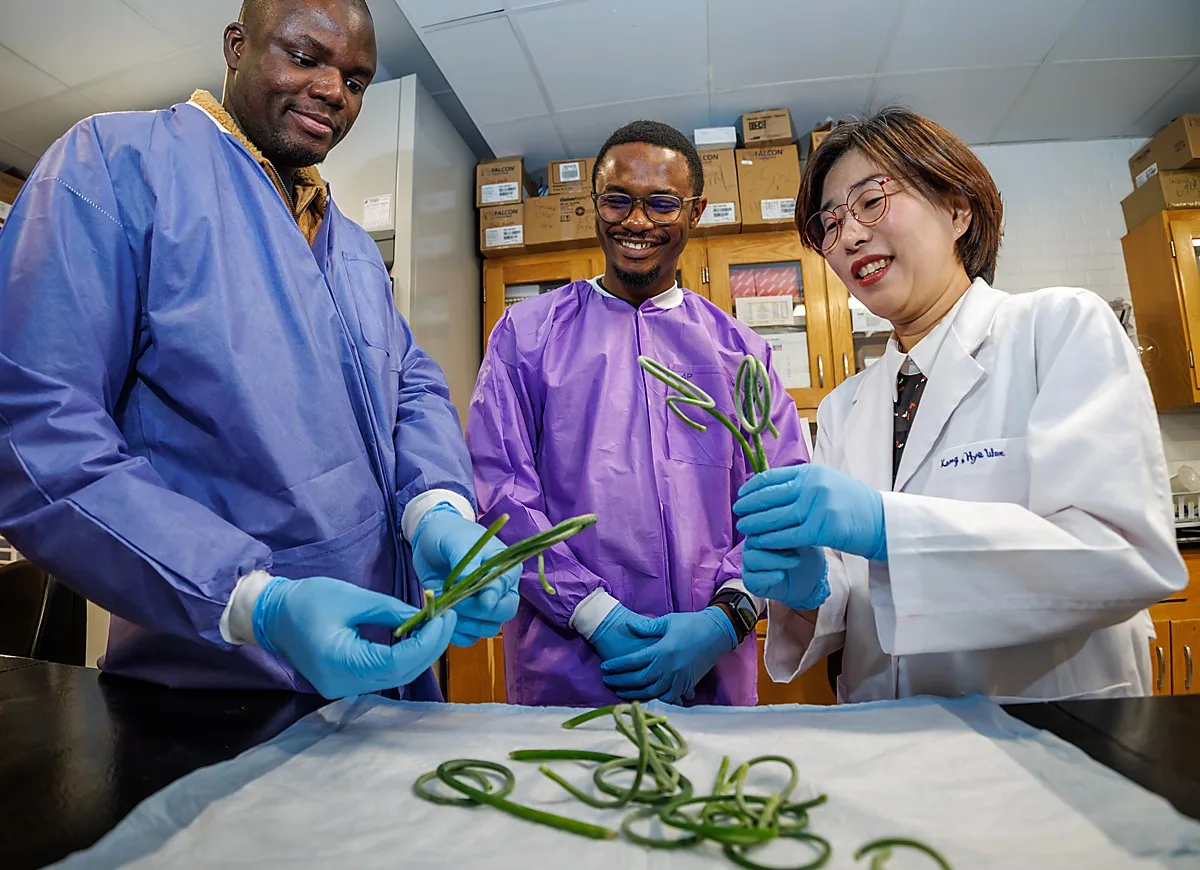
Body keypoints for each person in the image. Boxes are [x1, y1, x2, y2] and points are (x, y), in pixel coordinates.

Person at [0, 0, 520, 700]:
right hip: (214, 686)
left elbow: (412, 386)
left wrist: (435, 509)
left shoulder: (351, 247)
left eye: (356, 81)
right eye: (305, 58)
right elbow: (38, 433)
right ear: (237, 46)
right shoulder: (116, 165)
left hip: (386, 671)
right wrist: (256, 603)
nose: (333, 92)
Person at [733, 107, 1187, 702]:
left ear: (956, 209)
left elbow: (1118, 554)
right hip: (887, 728)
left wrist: (886, 526)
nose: (849, 237)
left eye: (871, 201)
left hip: (1045, 723)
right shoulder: (845, 408)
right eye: (830, 224)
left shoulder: (1058, 329)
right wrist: (810, 591)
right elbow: (856, 596)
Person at [466, 120, 810, 707]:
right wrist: (592, 612)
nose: (637, 221)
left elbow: (780, 500)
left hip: (710, 670)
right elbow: (499, 496)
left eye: (662, 203)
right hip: (569, 667)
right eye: (618, 200)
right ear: (594, 205)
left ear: (695, 211)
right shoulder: (527, 336)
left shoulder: (740, 353)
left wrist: (726, 618)